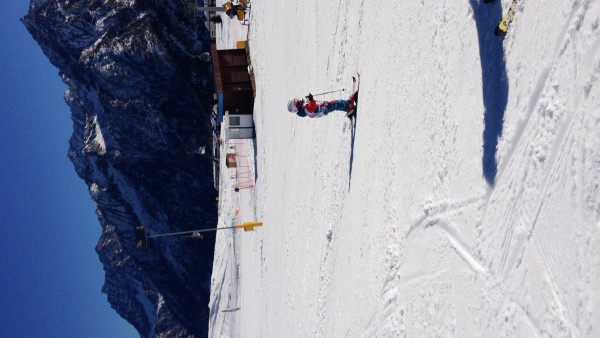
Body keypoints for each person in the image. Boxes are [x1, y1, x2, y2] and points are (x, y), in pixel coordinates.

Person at [287, 91, 357, 118]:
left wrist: (310, 100)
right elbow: (312, 107)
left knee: (335, 104)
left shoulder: (304, 108)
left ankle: (346, 107)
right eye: (297, 102)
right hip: (322, 109)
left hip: (322, 109)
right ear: (296, 108)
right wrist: (311, 100)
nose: (298, 100)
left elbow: (311, 107)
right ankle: (348, 104)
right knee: (335, 103)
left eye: (296, 99)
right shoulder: (305, 108)